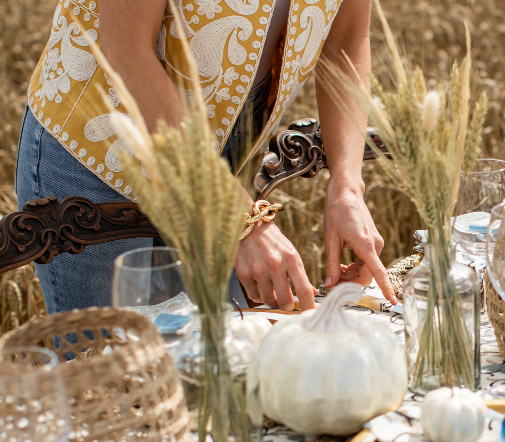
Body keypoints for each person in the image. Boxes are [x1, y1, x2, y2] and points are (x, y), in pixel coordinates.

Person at [16, 0, 395, 313]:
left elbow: (345, 38)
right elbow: (128, 49)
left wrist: (347, 184)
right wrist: (238, 216)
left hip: (227, 160)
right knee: (114, 379)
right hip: (100, 157)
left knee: (216, 374)